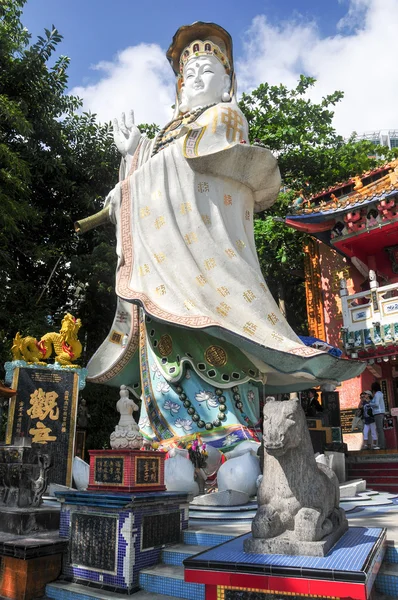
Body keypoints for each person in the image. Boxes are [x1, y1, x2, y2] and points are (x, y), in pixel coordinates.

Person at [78, 22, 365, 449]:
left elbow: (198, 163)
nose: (196, 79)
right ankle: (165, 441)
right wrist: (133, 159)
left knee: (218, 340)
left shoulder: (225, 117)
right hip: (163, 273)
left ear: (228, 84)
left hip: (211, 275)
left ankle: (231, 442)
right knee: (165, 355)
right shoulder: (162, 138)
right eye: (188, 75)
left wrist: (144, 165)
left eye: (208, 71)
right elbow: (150, 177)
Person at [370, 382, 386, 449]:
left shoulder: (377, 394)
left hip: (378, 413)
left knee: (379, 430)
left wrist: (370, 404)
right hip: (381, 413)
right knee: (380, 429)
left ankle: (381, 445)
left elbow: (376, 404)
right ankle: (381, 445)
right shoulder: (380, 394)